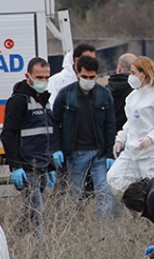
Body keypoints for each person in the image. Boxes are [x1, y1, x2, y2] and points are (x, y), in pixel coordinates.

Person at [52, 55, 116, 220]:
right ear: (77, 73)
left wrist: (109, 153)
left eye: (92, 77)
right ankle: (73, 225)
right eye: (84, 76)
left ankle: (105, 229)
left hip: (99, 153)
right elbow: (56, 124)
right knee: (74, 192)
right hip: (76, 152)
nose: (88, 80)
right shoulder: (66, 94)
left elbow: (110, 125)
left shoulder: (104, 95)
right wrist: (57, 149)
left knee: (103, 191)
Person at [0, 57, 56, 234]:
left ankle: (14, 238)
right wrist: (15, 166)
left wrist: (51, 166)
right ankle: (42, 250)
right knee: (37, 211)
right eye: (39, 77)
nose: (44, 81)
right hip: (26, 165)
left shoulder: (44, 100)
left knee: (30, 212)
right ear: (28, 76)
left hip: (42, 165)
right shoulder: (19, 100)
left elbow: (46, 135)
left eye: (47, 77)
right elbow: (8, 134)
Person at [106, 57, 154, 198]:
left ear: (144, 73)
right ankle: (138, 204)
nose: (131, 76)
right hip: (133, 150)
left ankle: (152, 210)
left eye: (134, 73)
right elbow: (130, 123)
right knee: (115, 178)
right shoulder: (132, 97)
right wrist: (120, 139)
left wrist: (151, 137)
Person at [47, 43, 96, 109]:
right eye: (88, 60)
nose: (92, 64)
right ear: (77, 60)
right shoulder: (57, 81)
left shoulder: (93, 85)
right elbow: (53, 108)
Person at [106, 53, 138, 133]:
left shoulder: (105, 90)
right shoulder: (137, 90)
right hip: (132, 134)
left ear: (119, 68)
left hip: (109, 134)